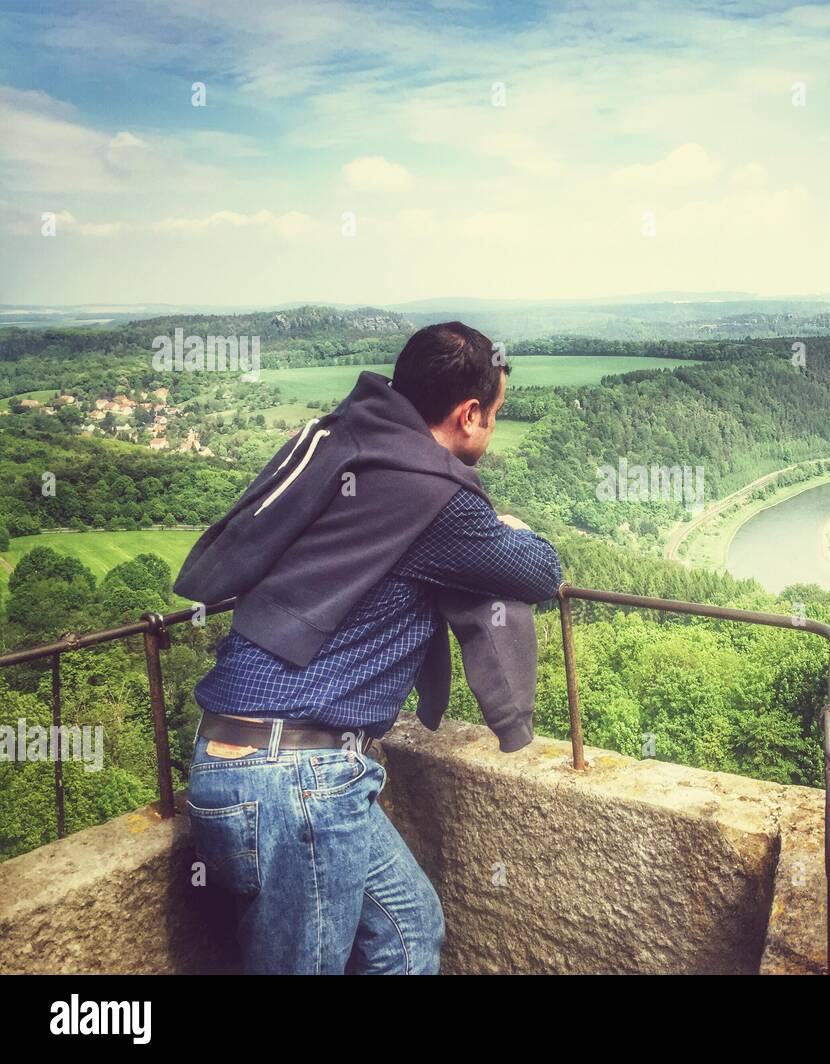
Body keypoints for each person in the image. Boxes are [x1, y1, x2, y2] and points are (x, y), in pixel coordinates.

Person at [175, 321, 562, 974]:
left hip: (247, 760)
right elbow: (540, 572)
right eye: (494, 416)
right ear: (468, 415)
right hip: (298, 783)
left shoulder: (346, 441)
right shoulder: (434, 496)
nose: (491, 432)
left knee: (409, 931)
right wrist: (509, 527)